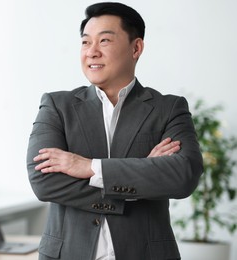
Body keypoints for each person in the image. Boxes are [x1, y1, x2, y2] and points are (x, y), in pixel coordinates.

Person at [26, 2, 203, 260]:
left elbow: (183, 175)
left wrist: (90, 167)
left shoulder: (169, 107)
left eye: (104, 40)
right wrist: (140, 175)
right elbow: (43, 182)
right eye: (86, 42)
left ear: (136, 47)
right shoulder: (57, 106)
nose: (92, 52)